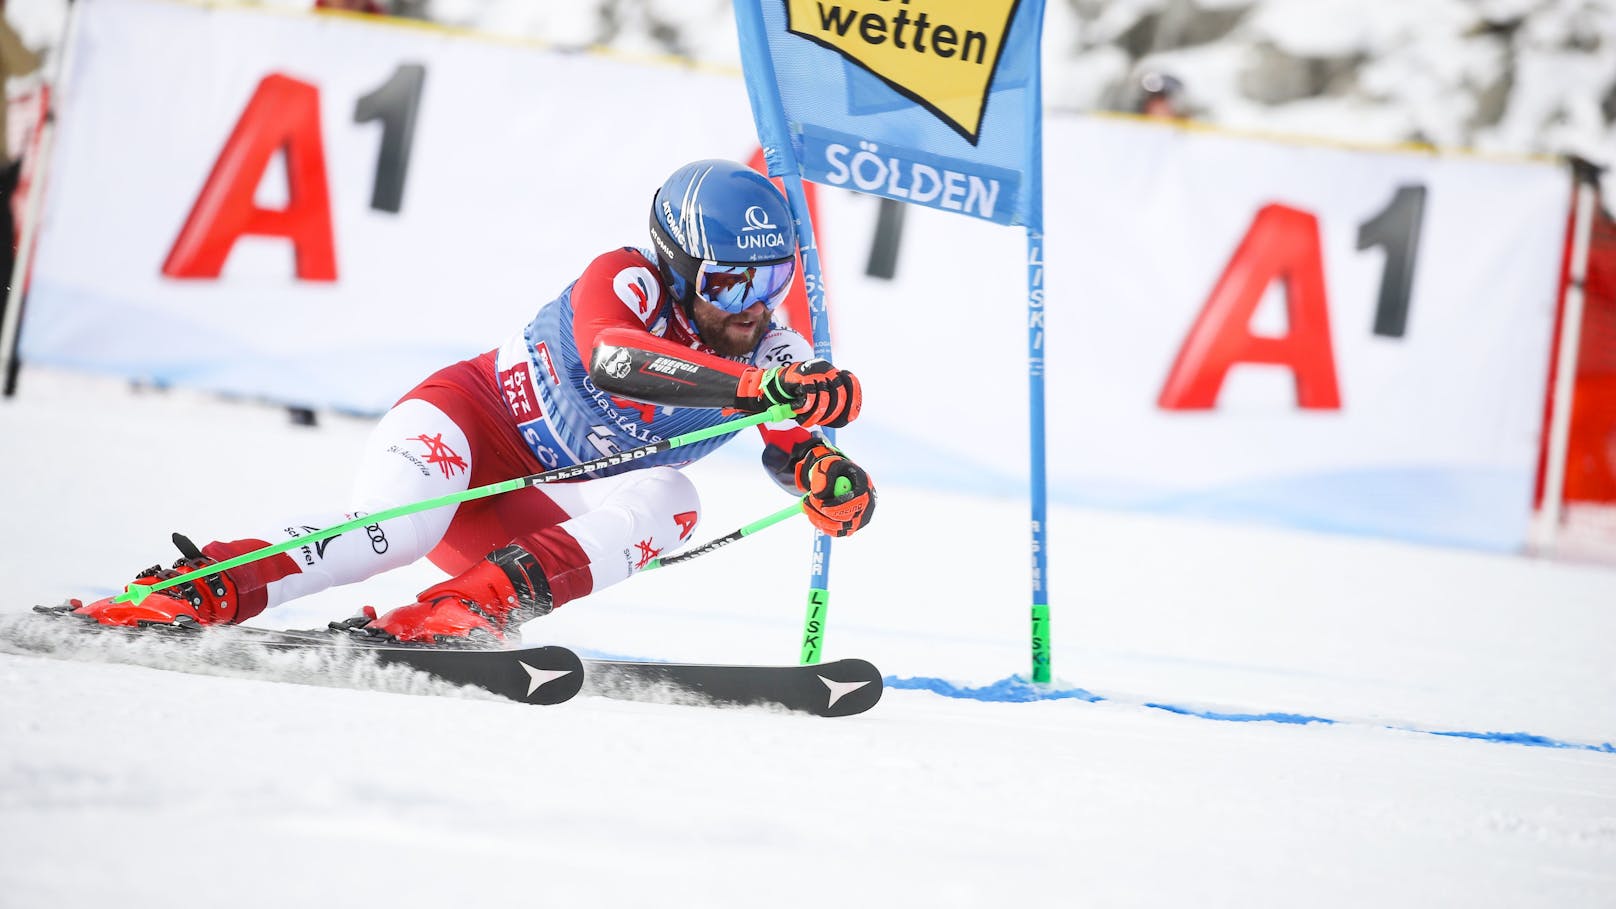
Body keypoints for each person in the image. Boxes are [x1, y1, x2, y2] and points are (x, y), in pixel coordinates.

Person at [69, 160, 877, 645]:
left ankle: (459, 612)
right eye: (729, 279)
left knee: (674, 497)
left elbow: (791, 442)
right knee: (391, 533)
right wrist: (756, 388)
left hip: (519, 506)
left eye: (770, 279)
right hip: (462, 424)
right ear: (678, 265)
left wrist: (829, 478)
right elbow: (614, 359)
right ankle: (196, 589)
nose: (751, 305)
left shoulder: (772, 352)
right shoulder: (624, 277)